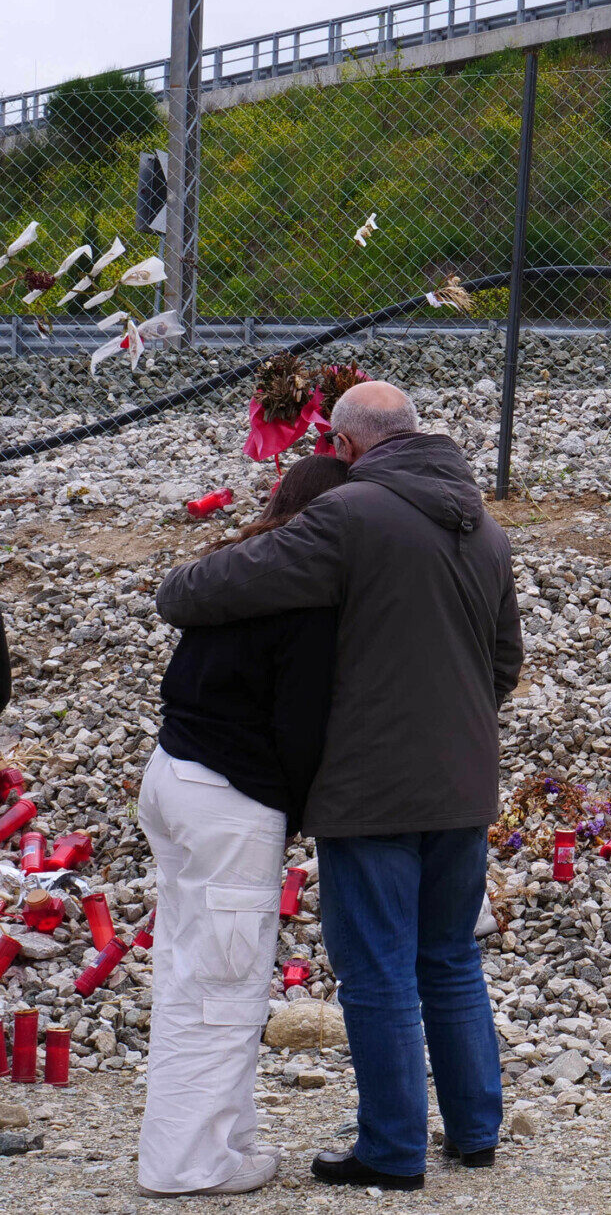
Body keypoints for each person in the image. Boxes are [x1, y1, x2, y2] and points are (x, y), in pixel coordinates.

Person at [157, 381, 523, 1192]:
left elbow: (206, 591)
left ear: (348, 446)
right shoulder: (487, 531)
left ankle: (391, 1151)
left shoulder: (352, 516)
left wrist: (175, 582)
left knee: (377, 970)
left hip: (373, 789)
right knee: (451, 957)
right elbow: (503, 666)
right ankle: (474, 1131)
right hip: (464, 784)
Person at [138, 454, 351, 1198]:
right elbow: (299, 727)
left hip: (173, 772)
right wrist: (306, 810)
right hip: (232, 794)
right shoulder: (310, 595)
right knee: (223, 985)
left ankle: (214, 1142)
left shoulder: (235, 567)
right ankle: (189, 1164)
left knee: (189, 971)